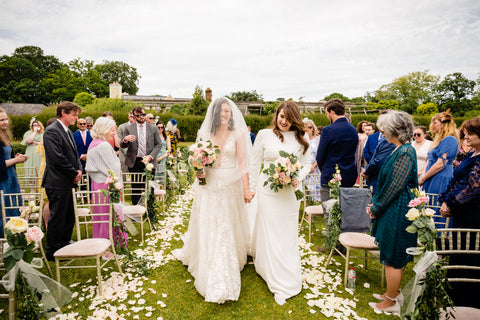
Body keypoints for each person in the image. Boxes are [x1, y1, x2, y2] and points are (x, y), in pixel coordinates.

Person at [174, 97, 252, 303]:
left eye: (228, 111)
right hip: (209, 185)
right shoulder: (205, 133)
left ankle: (228, 260)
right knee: (210, 220)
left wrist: (246, 188)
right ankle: (207, 259)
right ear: (215, 113)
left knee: (227, 222)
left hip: (230, 185)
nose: (225, 114)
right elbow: (199, 160)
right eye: (221, 111)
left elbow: (243, 163)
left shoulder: (239, 134)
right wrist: (199, 171)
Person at [250, 101, 310, 305]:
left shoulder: (302, 138)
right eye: (280, 116)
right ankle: (271, 273)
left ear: (295, 118)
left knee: (287, 233)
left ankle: (287, 270)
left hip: (290, 194)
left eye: (288, 117)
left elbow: (307, 163)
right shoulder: (264, 135)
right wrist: (249, 188)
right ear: (276, 116)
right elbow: (254, 162)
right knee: (270, 230)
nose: (283, 121)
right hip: (267, 191)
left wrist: (298, 177)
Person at [366, 111, 418, 315]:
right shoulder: (400, 148)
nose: (382, 131)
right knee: (390, 250)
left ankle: (390, 301)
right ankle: (392, 292)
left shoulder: (406, 151)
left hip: (398, 209)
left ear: (395, 130)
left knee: (393, 254)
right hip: (392, 206)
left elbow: (395, 185)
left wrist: (376, 207)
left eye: (385, 128)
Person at [438, 117, 480, 308]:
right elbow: (457, 180)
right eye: (465, 132)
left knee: (469, 255)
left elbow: (473, 188)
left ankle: (468, 302)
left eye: (471, 132)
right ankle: (454, 298)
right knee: (458, 252)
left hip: (473, 215)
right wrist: (445, 200)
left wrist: (451, 205)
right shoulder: (472, 154)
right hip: (461, 213)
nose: (466, 136)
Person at [42, 101, 83, 261]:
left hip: (69, 181)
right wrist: (73, 173)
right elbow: (56, 158)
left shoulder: (67, 131)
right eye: (74, 114)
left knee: (69, 215)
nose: (76, 118)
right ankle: (52, 250)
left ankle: (64, 244)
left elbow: (75, 154)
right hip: (57, 182)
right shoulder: (52, 131)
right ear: (64, 113)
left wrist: (79, 169)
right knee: (58, 217)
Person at [86, 117, 128, 254]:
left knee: (100, 215)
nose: (114, 133)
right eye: (112, 130)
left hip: (97, 184)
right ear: (104, 129)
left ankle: (102, 243)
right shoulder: (103, 145)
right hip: (106, 186)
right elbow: (114, 166)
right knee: (109, 215)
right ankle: (110, 245)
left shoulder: (93, 143)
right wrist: (118, 184)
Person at [316, 99, 358, 226]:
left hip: (330, 175)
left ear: (332, 112)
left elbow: (320, 156)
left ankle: (332, 244)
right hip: (349, 175)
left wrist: (325, 170)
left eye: (327, 113)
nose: (327, 116)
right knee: (344, 210)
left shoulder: (328, 130)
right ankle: (343, 242)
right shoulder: (353, 130)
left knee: (330, 210)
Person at [419, 110, 459, 228]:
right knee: (429, 206)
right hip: (432, 177)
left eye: (435, 122)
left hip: (441, 177)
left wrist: (423, 178)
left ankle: (439, 236)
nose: (432, 125)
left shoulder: (450, 140)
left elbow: (441, 163)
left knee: (436, 207)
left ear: (443, 124)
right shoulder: (439, 140)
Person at [120, 106, 162, 204]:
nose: (142, 117)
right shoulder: (128, 128)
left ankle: (150, 209)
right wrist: (125, 139)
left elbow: (158, 144)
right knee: (135, 187)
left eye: (143, 115)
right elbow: (122, 145)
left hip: (149, 161)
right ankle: (136, 211)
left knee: (149, 186)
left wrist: (150, 156)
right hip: (134, 162)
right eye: (139, 116)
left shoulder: (153, 128)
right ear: (134, 117)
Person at [0, 108, 28, 236]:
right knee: (4, 208)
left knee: (14, 205)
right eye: (1, 120)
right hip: (2, 180)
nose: (5, 122)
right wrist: (16, 160)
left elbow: (7, 158)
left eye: (6, 119)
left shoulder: (5, 135)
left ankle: (16, 237)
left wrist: (16, 158)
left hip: (11, 178)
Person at [362, 114, 396, 195]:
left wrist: (367, 171)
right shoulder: (382, 138)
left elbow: (379, 161)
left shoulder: (389, 141)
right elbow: (366, 151)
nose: (383, 134)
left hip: (379, 180)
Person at [36, 118, 57, 230]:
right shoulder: (47, 139)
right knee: (49, 200)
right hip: (49, 169)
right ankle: (48, 225)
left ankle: (49, 225)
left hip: (45, 167)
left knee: (49, 200)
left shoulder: (45, 138)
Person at [303, 117, 320, 200]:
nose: (308, 129)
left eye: (310, 127)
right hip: (304, 166)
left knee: (316, 191)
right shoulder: (301, 140)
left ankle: (315, 202)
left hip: (315, 167)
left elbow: (320, 154)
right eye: (306, 127)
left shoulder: (318, 140)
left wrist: (313, 166)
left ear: (313, 128)